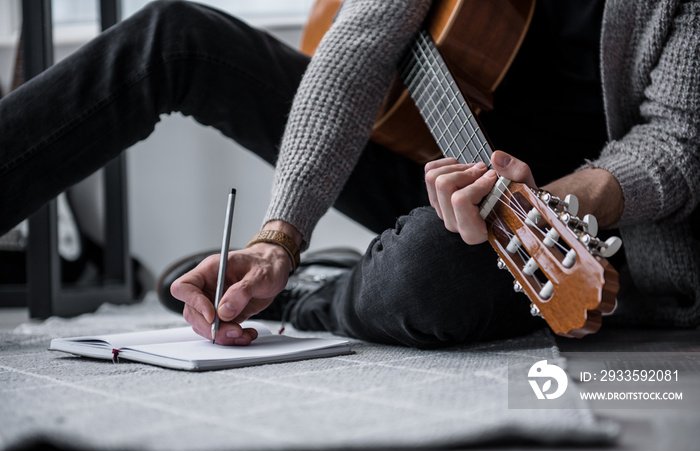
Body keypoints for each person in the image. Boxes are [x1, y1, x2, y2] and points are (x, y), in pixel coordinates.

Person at [1, 0, 698, 347]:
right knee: (171, 36)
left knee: (429, 268)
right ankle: (294, 269)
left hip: (557, 227)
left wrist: (547, 199)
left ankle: (311, 298)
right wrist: (280, 236)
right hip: (429, 161)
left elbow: (677, 140)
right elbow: (355, 51)